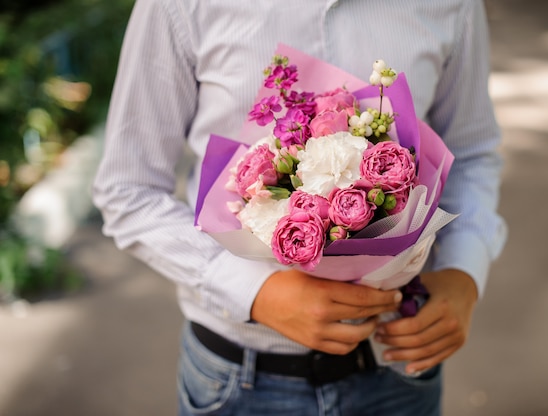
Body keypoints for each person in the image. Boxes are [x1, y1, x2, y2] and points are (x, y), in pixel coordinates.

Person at [92, 0, 507, 415]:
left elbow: (470, 152)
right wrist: (254, 291)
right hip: (241, 379)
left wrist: (463, 271)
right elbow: (129, 189)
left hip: (397, 370)